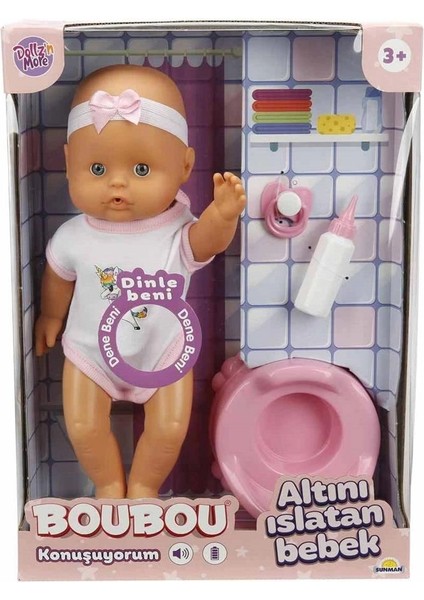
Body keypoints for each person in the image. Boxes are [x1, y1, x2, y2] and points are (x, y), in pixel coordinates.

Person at [35, 64, 246, 500]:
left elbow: (206, 242)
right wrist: (51, 316)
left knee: (169, 429)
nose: (117, 183)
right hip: (90, 353)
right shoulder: (74, 235)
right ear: (68, 162)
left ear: (185, 166)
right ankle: (109, 485)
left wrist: (222, 216)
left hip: (163, 351)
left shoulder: (177, 229)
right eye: (97, 168)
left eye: (142, 169)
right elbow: (58, 274)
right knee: (83, 426)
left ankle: (145, 487)